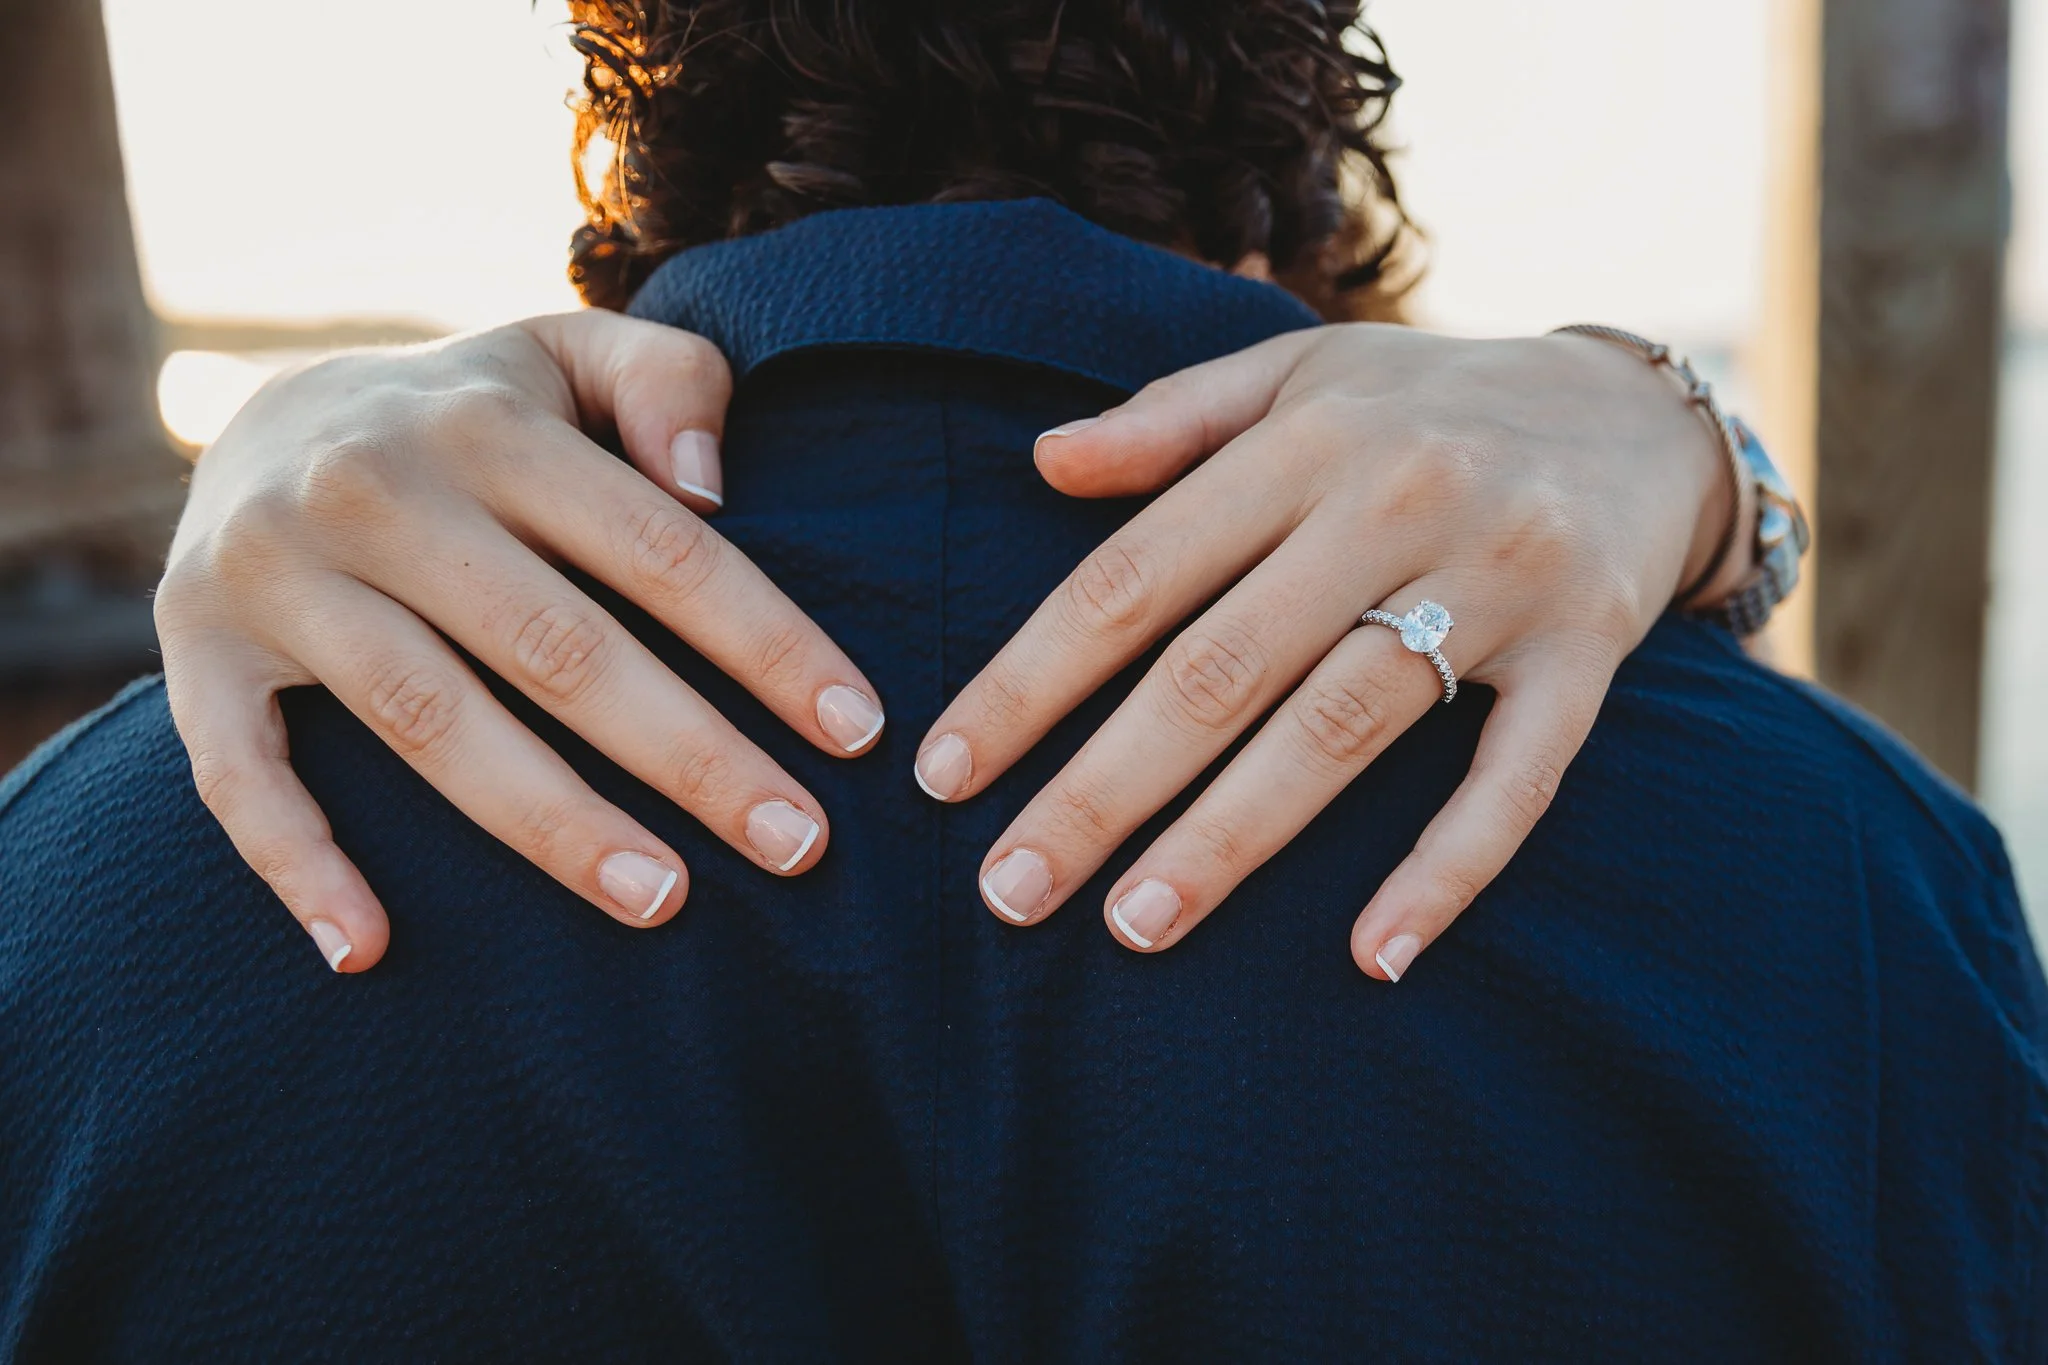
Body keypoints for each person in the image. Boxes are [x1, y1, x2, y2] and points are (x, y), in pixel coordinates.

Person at [2, 2, 2042, 1359]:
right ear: (1311, 187)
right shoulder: (1852, 884)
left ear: (616, 150)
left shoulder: (84, 881)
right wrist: (1698, 458)